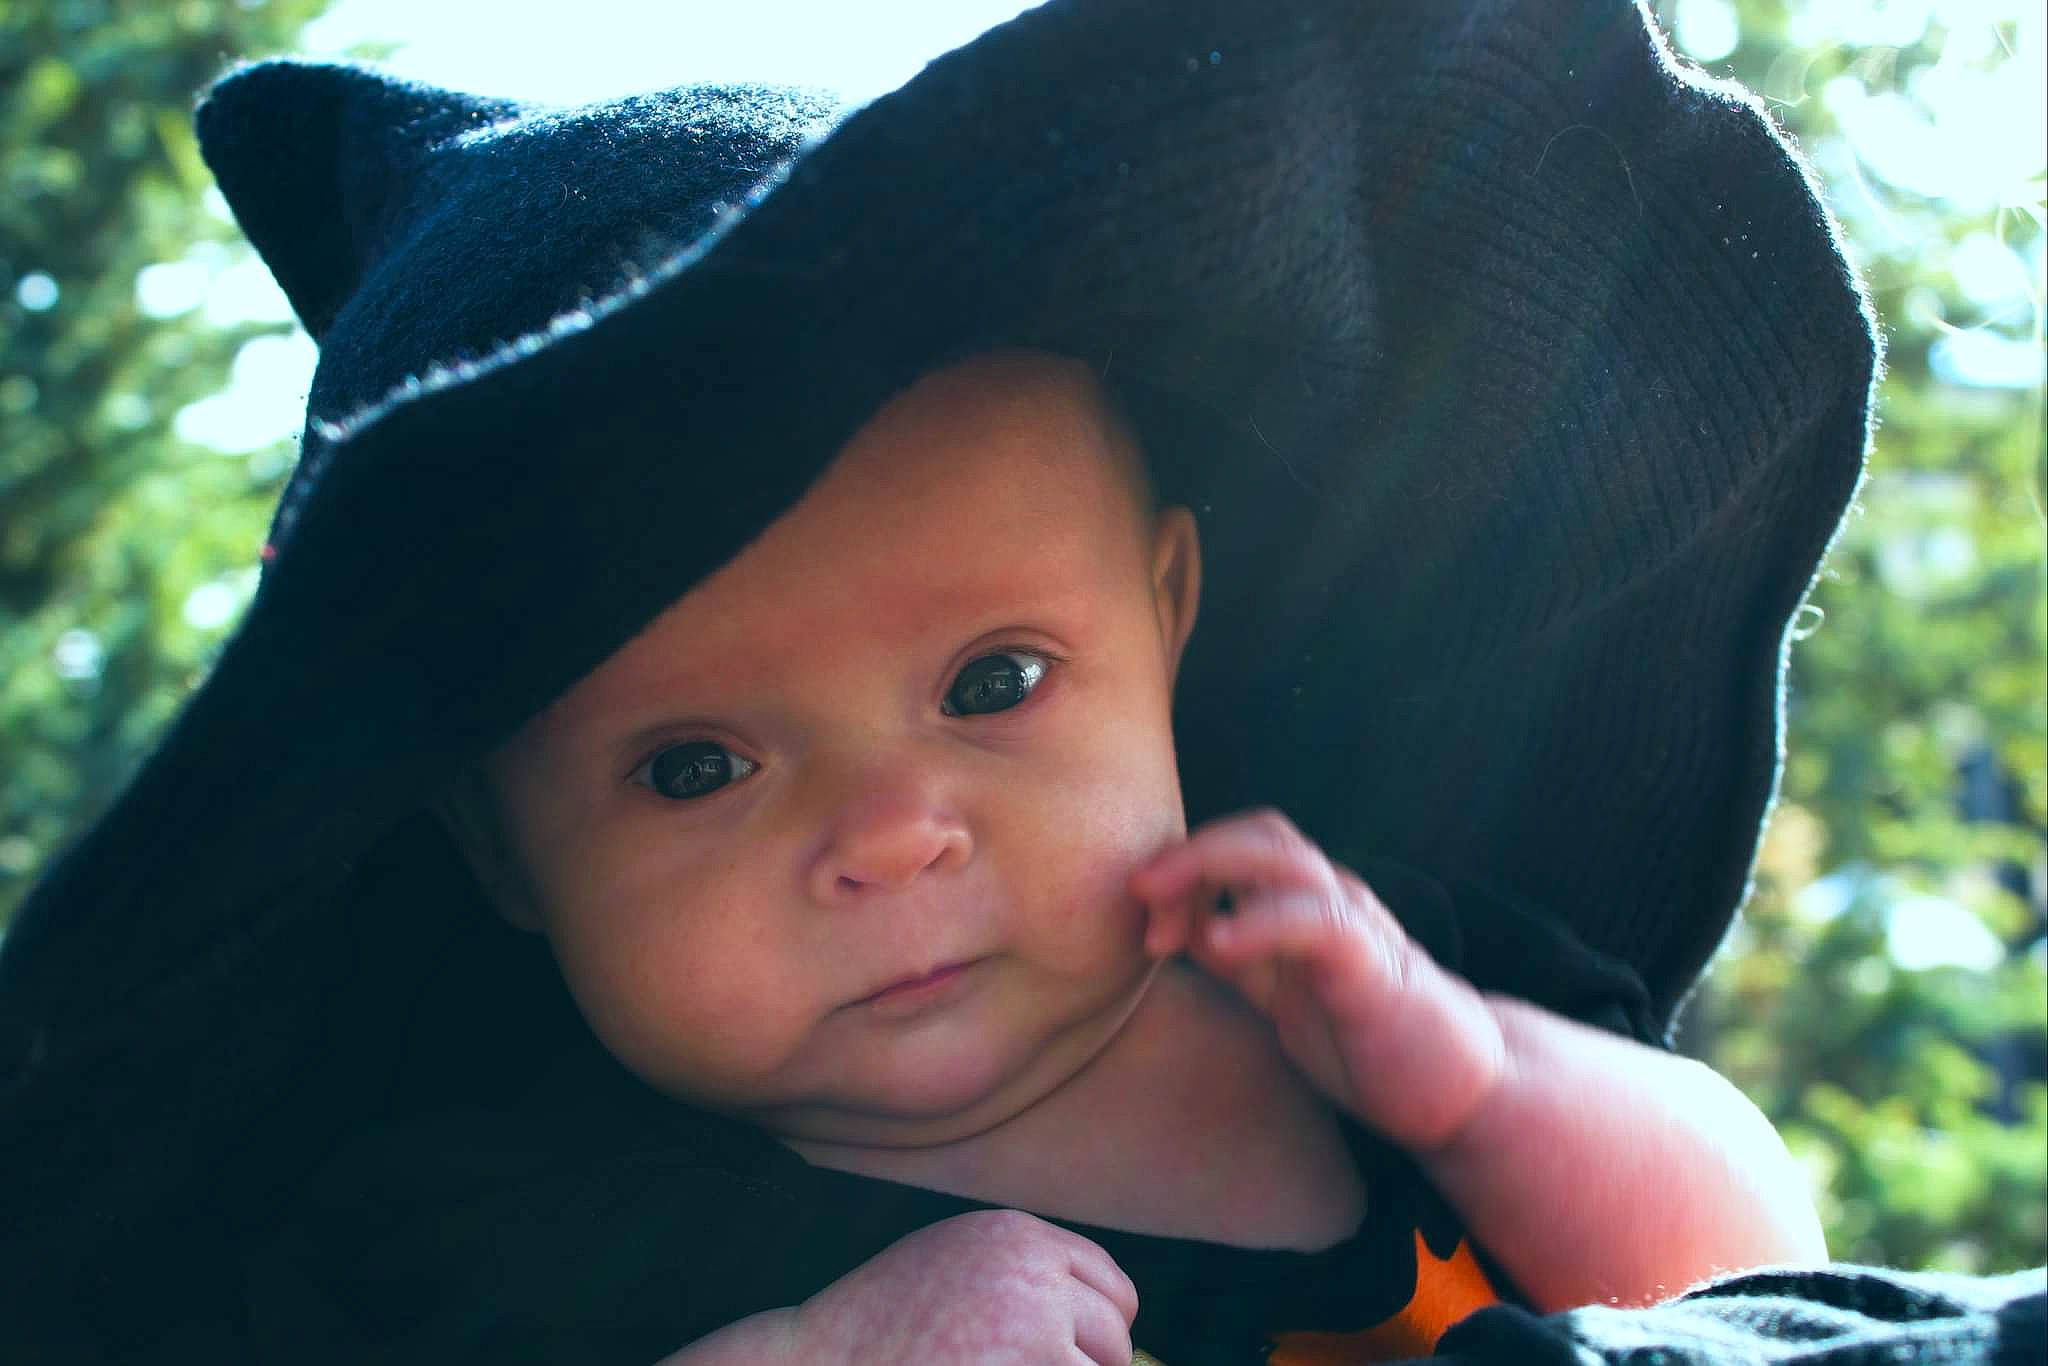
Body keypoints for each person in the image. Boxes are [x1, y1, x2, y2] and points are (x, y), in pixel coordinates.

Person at [10, 0, 2035, 1363]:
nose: (890, 830)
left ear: (1169, 614)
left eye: (991, 677)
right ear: (501, 846)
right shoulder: (516, 1202)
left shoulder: (1354, 994)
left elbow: (1745, 1259)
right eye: (695, 762)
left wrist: (1482, 1073)